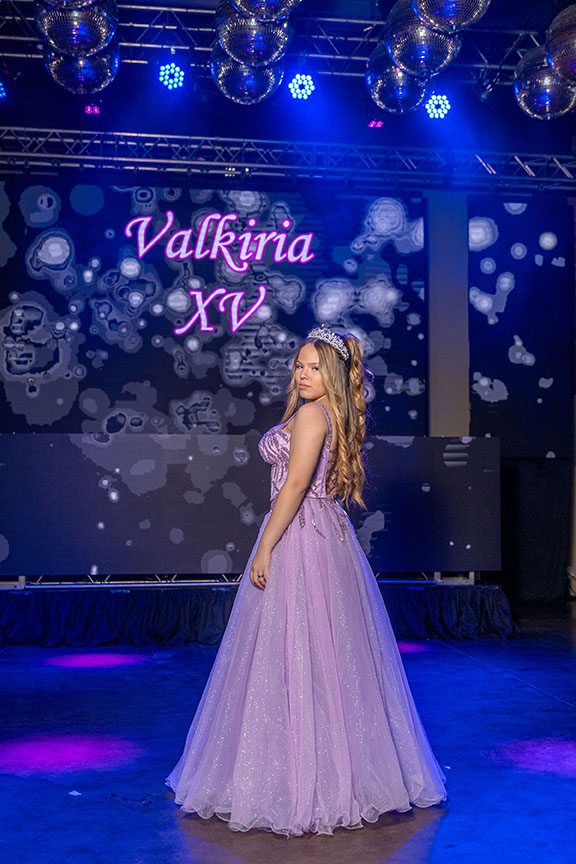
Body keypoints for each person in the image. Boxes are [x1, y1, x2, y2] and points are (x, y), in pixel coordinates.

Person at [165, 323, 447, 838]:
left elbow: (295, 485)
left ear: (334, 373)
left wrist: (266, 546)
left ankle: (308, 785)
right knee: (317, 653)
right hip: (318, 530)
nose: (303, 373)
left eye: (315, 367)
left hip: (301, 533)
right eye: (299, 365)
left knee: (298, 650)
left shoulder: (315, 414)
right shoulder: (321, 411)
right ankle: (311, 773)